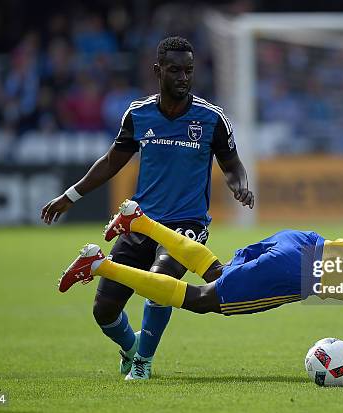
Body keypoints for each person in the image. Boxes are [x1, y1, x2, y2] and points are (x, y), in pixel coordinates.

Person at [59, 200, 343, 380]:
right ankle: (100, 265)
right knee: (205, 301)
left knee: (216, 271)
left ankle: (138, 221)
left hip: (301, 240)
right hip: (299, 272)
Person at [41, 37, 254, 380]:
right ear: (158, 71)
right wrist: (70, 196)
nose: (183, 77)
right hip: (138, 223)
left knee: (160, 283)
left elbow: (232, 164)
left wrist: (239, 185)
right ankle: (131, 348)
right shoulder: (138, 114)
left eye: (188, 70)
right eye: (174, 70)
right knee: (104, 310)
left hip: (187, 225)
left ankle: (143, 362)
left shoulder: (211, 118)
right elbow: (112, 161)